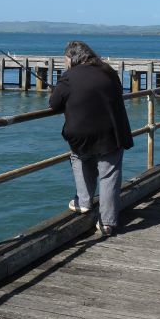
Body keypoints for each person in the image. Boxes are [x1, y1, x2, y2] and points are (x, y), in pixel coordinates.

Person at [49, 40, 134, 237]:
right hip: (112, 133)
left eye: (66, 60)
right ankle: (107, 223)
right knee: (109, 175)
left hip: (81, 136)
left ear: (71, 58)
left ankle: (84, 201)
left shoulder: (68, 77)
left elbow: (54, 104)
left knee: (80, 158)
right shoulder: (109, 72)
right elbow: (117, 93)